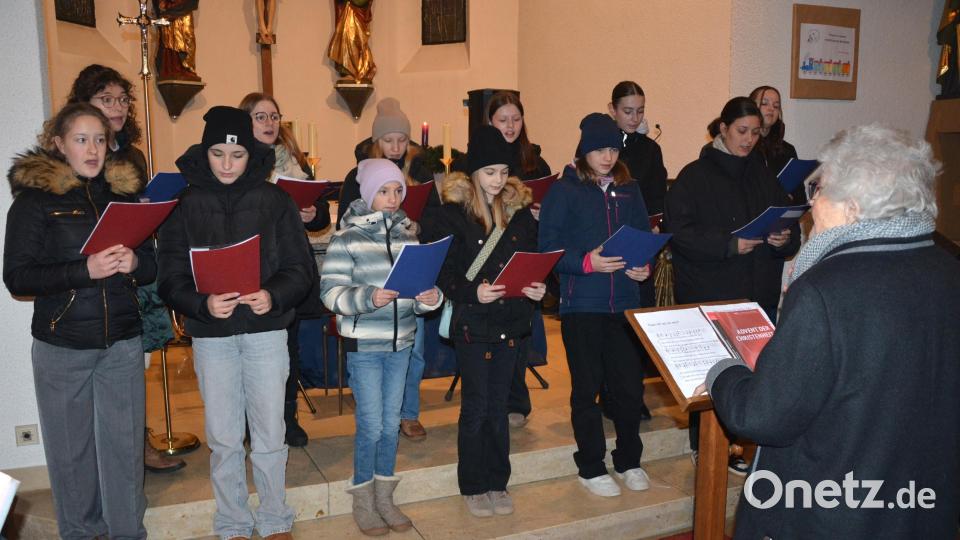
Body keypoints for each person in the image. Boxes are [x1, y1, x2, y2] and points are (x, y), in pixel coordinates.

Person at [701, 124, 960, 539]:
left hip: (831, 510)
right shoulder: (948, 269)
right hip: (921, 507)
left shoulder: (825, 289)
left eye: (819, 190)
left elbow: (764, 417)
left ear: (852, 208)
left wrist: (723, 373)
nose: (811, 204)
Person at [158, 106, 314, 540]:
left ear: (251, 155)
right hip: (213, 336)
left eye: (238, 155)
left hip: (266, 332)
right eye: (217, 154)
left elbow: (301, 269)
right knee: (224, 437)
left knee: (270, 432)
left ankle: (275, 517)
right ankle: (232, 522)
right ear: (204, 152)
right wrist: (201, 303)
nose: (227, 165)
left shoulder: (275, 201)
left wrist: (273, 295)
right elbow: (169, 276)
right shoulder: (184, 205)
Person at [4, 103, 154, 539]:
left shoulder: (124, 198)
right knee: (72, 456)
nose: (92, 149)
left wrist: (136, 263)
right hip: (63, 345)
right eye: (81, 139)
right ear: (58, 144)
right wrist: (83, 270)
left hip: (122, 343)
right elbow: (17, 277)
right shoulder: (34, 202)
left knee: (125, 451)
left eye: (100, 140)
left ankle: (128, 533)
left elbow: (152, 267)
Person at [664, 97, 800, 473]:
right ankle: (706, 446)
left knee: (754, 372)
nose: (749, 140)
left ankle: (742, 444)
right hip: (712, 291)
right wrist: (729, 245)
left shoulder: (762, 174)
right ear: (723, 129)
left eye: (755, 133)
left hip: (757, 293)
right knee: (714, 373)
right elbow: (679, 233)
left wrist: (783, 238)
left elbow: (788, 223)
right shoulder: (694, 176)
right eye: (742, 131)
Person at [66, 63, 185, 474]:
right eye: (106, 99)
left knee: (138, 363)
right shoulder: (74, 157)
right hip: (92, 272)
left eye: (122, 99)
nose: (117, 107)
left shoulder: (131, 154)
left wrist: (149, 208)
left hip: (132, 262)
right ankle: (117, 452)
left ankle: (137, 443)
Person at [320, 158, 442, 536]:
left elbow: (418, 297)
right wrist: (368, 297)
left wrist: (430, 298)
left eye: (398, 191)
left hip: (401, 343)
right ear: (369, 194)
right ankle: (363, 499)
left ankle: (385, 497)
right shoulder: (347, 239)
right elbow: (330, 294)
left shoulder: (409, 237)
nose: (392, 198)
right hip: (365, 347)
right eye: (384, 191)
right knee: (371, 425)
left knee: (391, 426)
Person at [429, 125, 545, 517]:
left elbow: (534, 260)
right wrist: (471, 292)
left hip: (511, 320)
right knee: (476, 407)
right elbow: (443, 273)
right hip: (473, 324)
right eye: (490, 172)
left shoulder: (519, 214)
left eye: (503, 172)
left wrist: (539, 288)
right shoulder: (452, 214)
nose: (497, 180)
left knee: (499, 406)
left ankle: (498, 481)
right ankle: (474, 485)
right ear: (473, 172)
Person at [538, 113, 653, 498]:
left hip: (624, 303)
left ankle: (629, 461)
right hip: (582, 304)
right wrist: (586, 263)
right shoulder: (564, 190)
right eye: (600, 150)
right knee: (586, 390)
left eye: (613, 150)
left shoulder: (629, 189)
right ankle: (590, 466)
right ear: (584, 150)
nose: (608, 157)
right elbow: (548, 248)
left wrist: (643, 267)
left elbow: (642, 236)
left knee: (628, 390)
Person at [337, 97, 436, 443]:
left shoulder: (420, 172)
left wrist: (418, 225)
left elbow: (437, 218)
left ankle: (408, 413)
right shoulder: (358, 175)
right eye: (389, 140)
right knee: (374, 354)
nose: (396, 147)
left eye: (402, 140)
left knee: (414, 348)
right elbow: (345, 224)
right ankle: (377, 411)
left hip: (409, 263)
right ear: (376, 140)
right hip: (372, 275)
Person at [239, 92, 331, 448]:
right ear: (245, 121)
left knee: (287, 351)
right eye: (260, 117)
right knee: (249, 350)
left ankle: (287, 418)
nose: (269, 123)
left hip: (287, 268)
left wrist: (312, 213)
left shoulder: (294, 162)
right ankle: (252, 421)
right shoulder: (236, 161)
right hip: (253, 266)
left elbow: (319, 214)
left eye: (274, 117)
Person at [480, 91, 552, 429]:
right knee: (491, 330)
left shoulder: (534, 162)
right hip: (488, 253)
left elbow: (552, 207)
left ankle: (516, 401)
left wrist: (542, 213)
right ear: (490, 122)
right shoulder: (478, 160)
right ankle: (490, 398)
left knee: (521, 328)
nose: (510, 126)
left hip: (525, 247)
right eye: (502, 120)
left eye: (516, 119)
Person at [607, 81, 667, 216]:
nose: (635, 119)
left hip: (639, 222)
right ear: (612, 109)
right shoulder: (596, 145)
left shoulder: (651, 149)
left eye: (640, 111)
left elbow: (658, 199)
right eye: (628, 111)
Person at [749, 85, 802, 202]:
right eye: (764, 103)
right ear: (751, 108)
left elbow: (800, 198)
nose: (771, 109)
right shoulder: (743, 147)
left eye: (776, 106)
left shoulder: (787, 150)